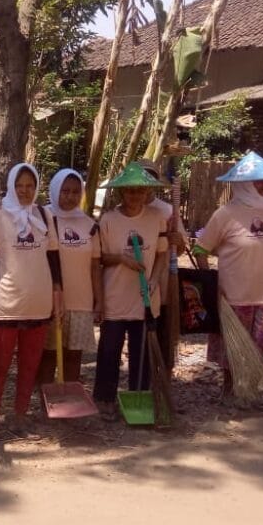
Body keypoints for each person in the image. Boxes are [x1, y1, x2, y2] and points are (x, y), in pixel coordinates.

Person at [195, 151, 263, 406]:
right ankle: (229, 391)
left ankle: (252, 391)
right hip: (234, 293)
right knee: (233, 347)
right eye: (258, 181)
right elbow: (201, 248)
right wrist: (211, 282)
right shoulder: (225, 214)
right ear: (243, 184)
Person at [0, 163, 61, 435]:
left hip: (39, 302)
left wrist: (57, 295)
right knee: (0, 366)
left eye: (30, 186)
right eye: (20, 185)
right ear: (11, 186)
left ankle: (20, 415)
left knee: (30, 365)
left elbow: (53, 258)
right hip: (6, 304)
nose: (25, 191)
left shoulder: (43, 215)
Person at [94, 163, 170, 419]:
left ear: (147, 193)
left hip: (146, 299)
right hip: (115, 297)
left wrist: (155, 279)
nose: (134, 196)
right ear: (120, 193)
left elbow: (162, 254)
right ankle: (105, 399)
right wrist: (122, 259)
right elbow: (100, 257)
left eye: (139, 191)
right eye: (129, 191)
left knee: (142, 353)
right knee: (109, 351)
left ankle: (139, 398)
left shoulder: (156, 218)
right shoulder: (108, 220)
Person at [40, 169, 102, 389]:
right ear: (55, 190)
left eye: (76, 192)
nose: (70, 196)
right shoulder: (42, 218)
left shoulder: (89, 225)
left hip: (81, 302)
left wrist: (98, 301)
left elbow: (95, 266)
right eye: (65, 191)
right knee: (48, 354)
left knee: (73, 355)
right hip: (50, 302)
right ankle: (47, 402)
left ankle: (70, 400)